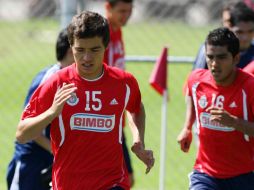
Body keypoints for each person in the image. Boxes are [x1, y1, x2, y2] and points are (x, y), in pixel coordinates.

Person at [15, 11, 154, 190]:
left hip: (112, 183)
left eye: (94, 50)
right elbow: (22, 134)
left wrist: (138, 141)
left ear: (106, 46)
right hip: (68, 183)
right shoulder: (57, 83)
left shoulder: (123, 83)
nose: (87, 58)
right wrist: (51, 112)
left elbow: (136, 107)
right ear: (71, 47)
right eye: (80, 50)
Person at [177, 27, 254, 190]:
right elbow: (191, 94)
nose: (214, 64)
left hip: (244, 175)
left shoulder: (250, 87)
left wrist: (233, 122)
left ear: (236, 58)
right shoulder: (196, 80)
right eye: (210, 57)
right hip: (205, 174)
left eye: (221, 57)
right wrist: (187, 127)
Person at [6, 28, 74, 190]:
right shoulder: (48, 79)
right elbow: (28, 128)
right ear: (72, 51)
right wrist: (60, 152)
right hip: (31, 163)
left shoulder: (76, 79)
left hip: (53, 160)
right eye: (83, 49)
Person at [104, 0, 135, 186]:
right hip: (106, 119)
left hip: (116, 119)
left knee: (126, 179)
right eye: (122, 11)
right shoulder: (102, 33)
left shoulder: (117, 30)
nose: (126, 16)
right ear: (108, 7)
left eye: (129, 11)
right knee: (121, 180)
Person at [193, 1, 254, 70]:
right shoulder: (212, 49)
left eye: (250, 31)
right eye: (239, 32)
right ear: (229, 28)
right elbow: (197, 78)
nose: (245, 37)